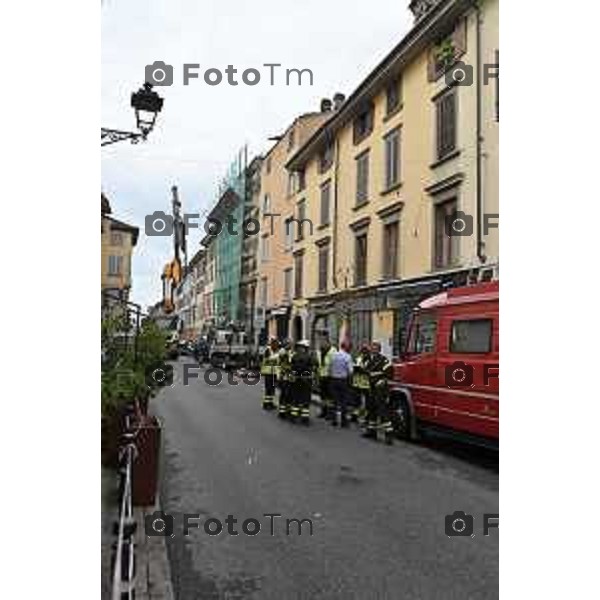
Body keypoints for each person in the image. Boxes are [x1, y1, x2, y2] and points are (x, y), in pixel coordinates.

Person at [362, 341, 393, 443]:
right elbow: (365, 370)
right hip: (371, 388)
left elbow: (389, 374)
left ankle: (388, 435)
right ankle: (371, 431)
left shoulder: (383, 360)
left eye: (375, 348)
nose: (373, 349)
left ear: (379, 349)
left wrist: (382, 381)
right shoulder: (368, 360)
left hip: (380, 389)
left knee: (382, 411)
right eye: (372, 348)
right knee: (371, 410)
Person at [329, 341, 354, 427]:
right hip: (343, 381)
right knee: (344, 401)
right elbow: (350, 371)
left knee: (335, 401)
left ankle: (334, 420)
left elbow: (330, 367)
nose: (350, 349)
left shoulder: (334, 355)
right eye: (349, 347)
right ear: (346, 347)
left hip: (333, 380)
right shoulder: (347, 357)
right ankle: (344, 421)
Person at [290, 340, 316, 424]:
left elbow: (292, 368)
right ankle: (305, 418)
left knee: (296, 399)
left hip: (296, 381)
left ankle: (294, 416)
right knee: (305, 400)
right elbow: (312, 368)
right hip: (306, 381)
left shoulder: (294, 356)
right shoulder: (309, 357)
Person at [351, 342, 371, 424]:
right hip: (357, 383)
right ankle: (355, 415)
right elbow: (354, 367)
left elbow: (370, 371)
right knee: (356, 401)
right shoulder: (358, 358)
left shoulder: (370, 360)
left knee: (367, 402)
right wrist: (355, 368)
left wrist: (363, 370)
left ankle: (367, 417)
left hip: (366, 384)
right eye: (363, 350)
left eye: (365, 351)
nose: (363, 352)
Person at [316, 338, 337, 420]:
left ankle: (330, 413)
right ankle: (323, 411)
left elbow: (334, 365)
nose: (322, 344)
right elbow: (319, 365)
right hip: (322, 376)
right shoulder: (319, 352)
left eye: (324, 343)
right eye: (321, 343)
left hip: (330, 377)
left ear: (328, 343)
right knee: (323, 396)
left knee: (330, 397)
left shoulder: (333, 351)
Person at [260, 337, 279, 410]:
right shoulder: (268, 350)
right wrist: (276, 357)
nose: (276, 345)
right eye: (275, 344)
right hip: (268, 373)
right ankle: (266, 404)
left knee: (272, 389)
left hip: (274, 373)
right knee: (268, 389)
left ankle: (270, 403)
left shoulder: (276, 351)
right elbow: (268, 359)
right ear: (272, 344)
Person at [277, 339, 294, 419]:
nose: (291, 346)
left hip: (288, 377)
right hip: (284, 377)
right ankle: (282, 412)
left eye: (291, 344)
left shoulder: (289, 352)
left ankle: (286, 410)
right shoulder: (283, 352)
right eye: (289, 344)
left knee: (289, 395)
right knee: (284, 395)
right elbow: (284, 365)